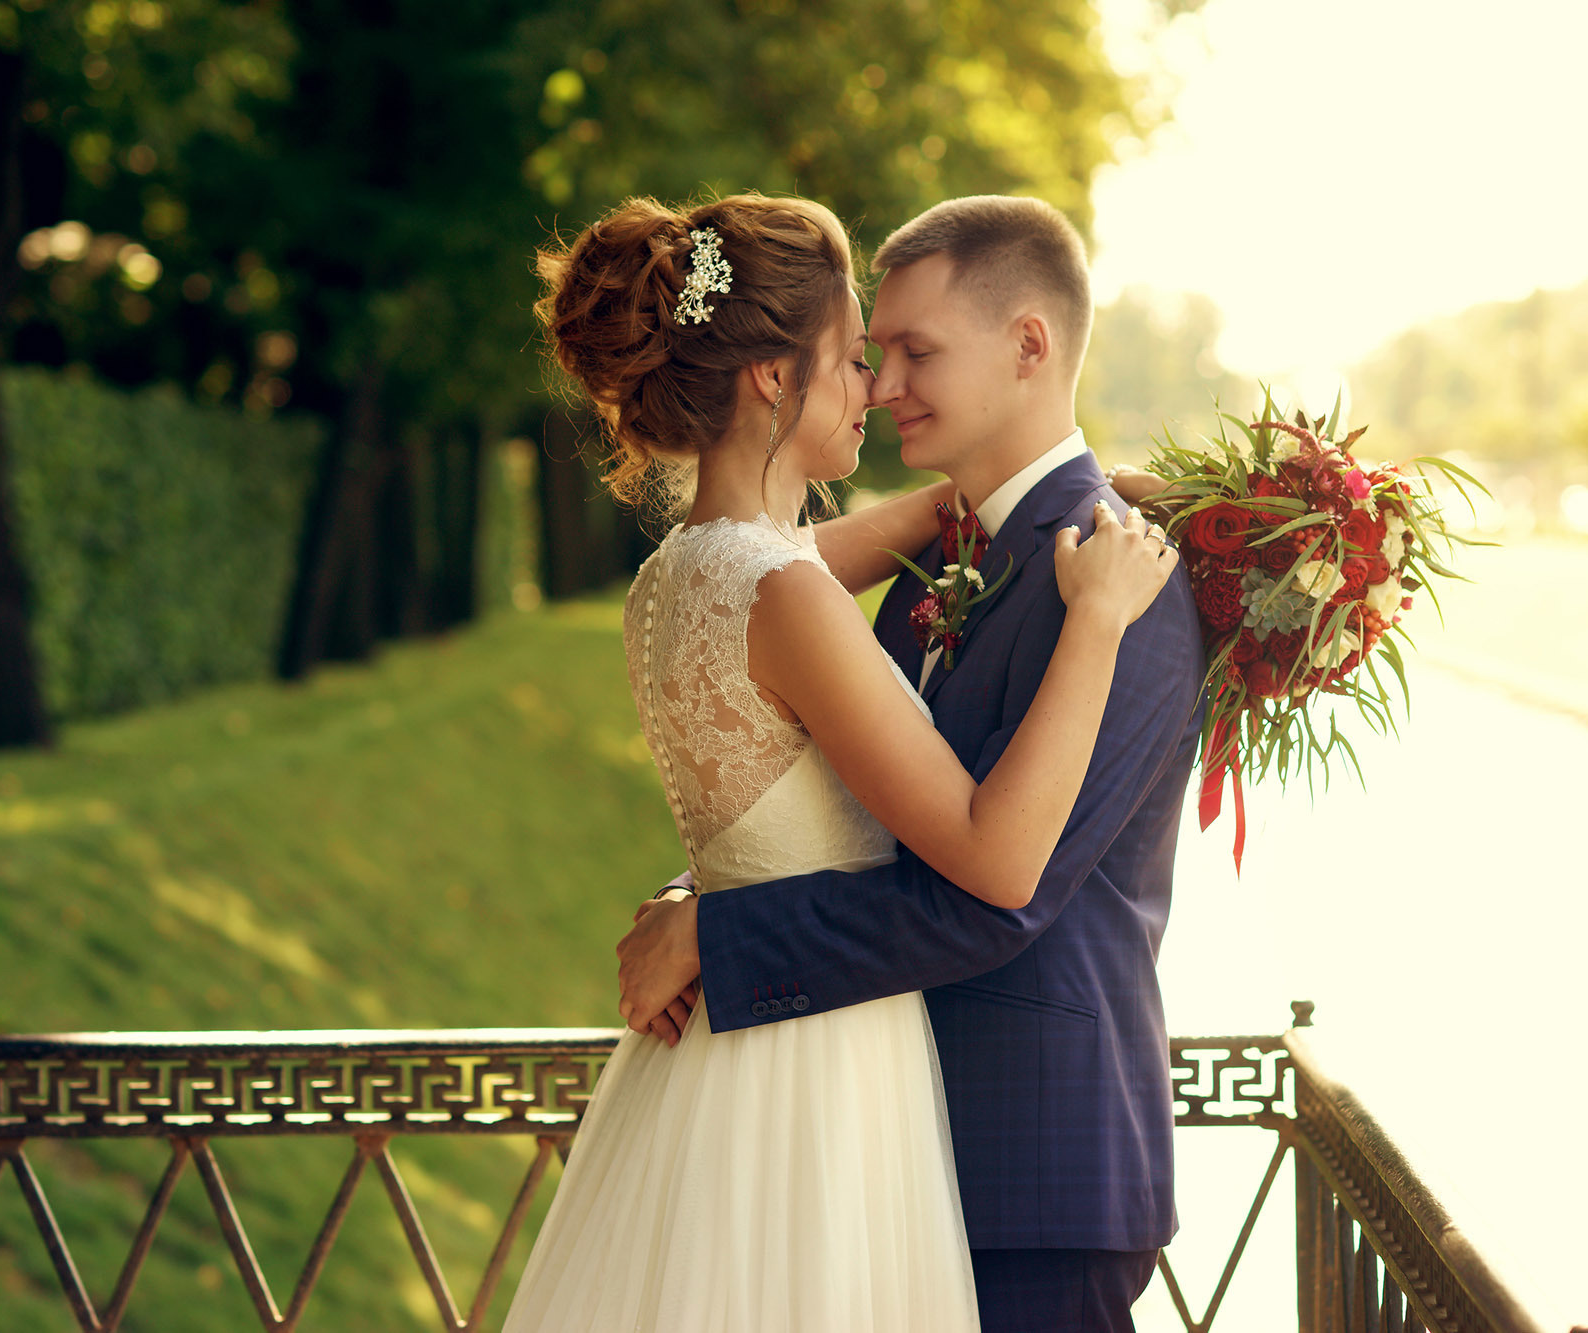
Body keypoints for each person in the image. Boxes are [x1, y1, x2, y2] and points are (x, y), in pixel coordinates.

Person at [502, 193, 1180, 1333]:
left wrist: (713, 917)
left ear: (1026, 345)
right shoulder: (802, 589)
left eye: (909, 353)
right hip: (823, 1100)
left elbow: (799, 806)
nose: (876, 384)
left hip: (1009, 1154)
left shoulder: (682, 573)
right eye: (861, 356)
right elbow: (980, 855)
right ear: (773, 375)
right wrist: (1082, 616)